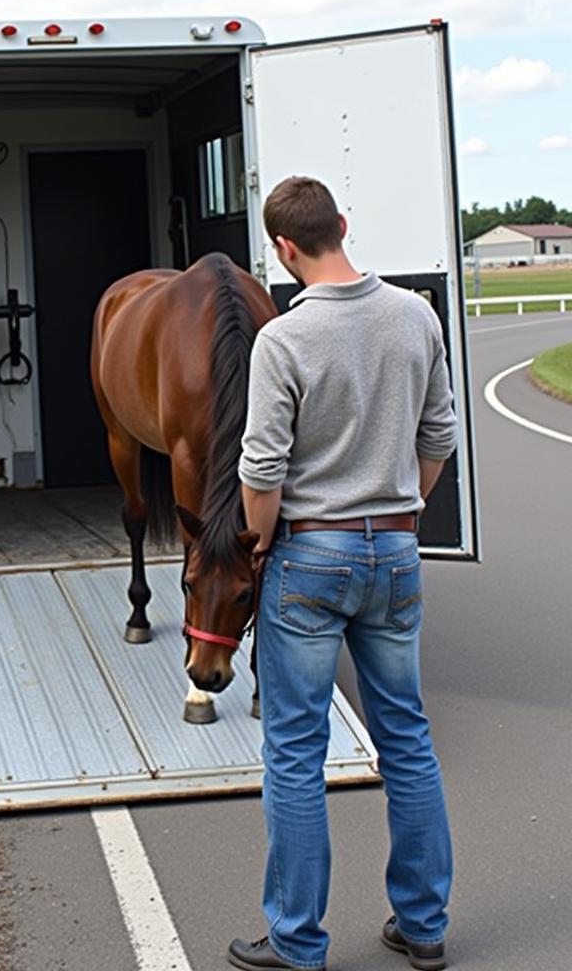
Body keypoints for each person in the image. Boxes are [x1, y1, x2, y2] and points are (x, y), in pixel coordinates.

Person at [227, 176, 456, 971]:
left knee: (295, 751)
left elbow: (262, 469)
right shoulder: (415, 315)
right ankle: (423, 927)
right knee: (407, 738)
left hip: (310, 555)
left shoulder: (283, 342)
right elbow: (439, 434)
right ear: (343, 226)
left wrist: (258, 546)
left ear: (285, 249)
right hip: (394, 551)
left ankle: (298, 941)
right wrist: (401, 512)